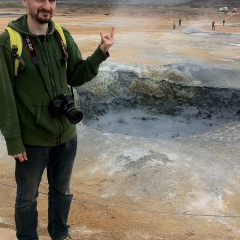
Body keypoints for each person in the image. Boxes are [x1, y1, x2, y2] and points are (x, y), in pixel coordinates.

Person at [0, 0, 114, 239]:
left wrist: (100, 53)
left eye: (51, 0)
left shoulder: (62, 36)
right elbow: (4, 95)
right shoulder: (9, 41)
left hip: (66, 136)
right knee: (27, 198)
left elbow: (76, 75)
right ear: (25, 1)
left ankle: (60, 234)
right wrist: (13, 139)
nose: (46, 5)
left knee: (62, 192)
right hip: (31, 140)